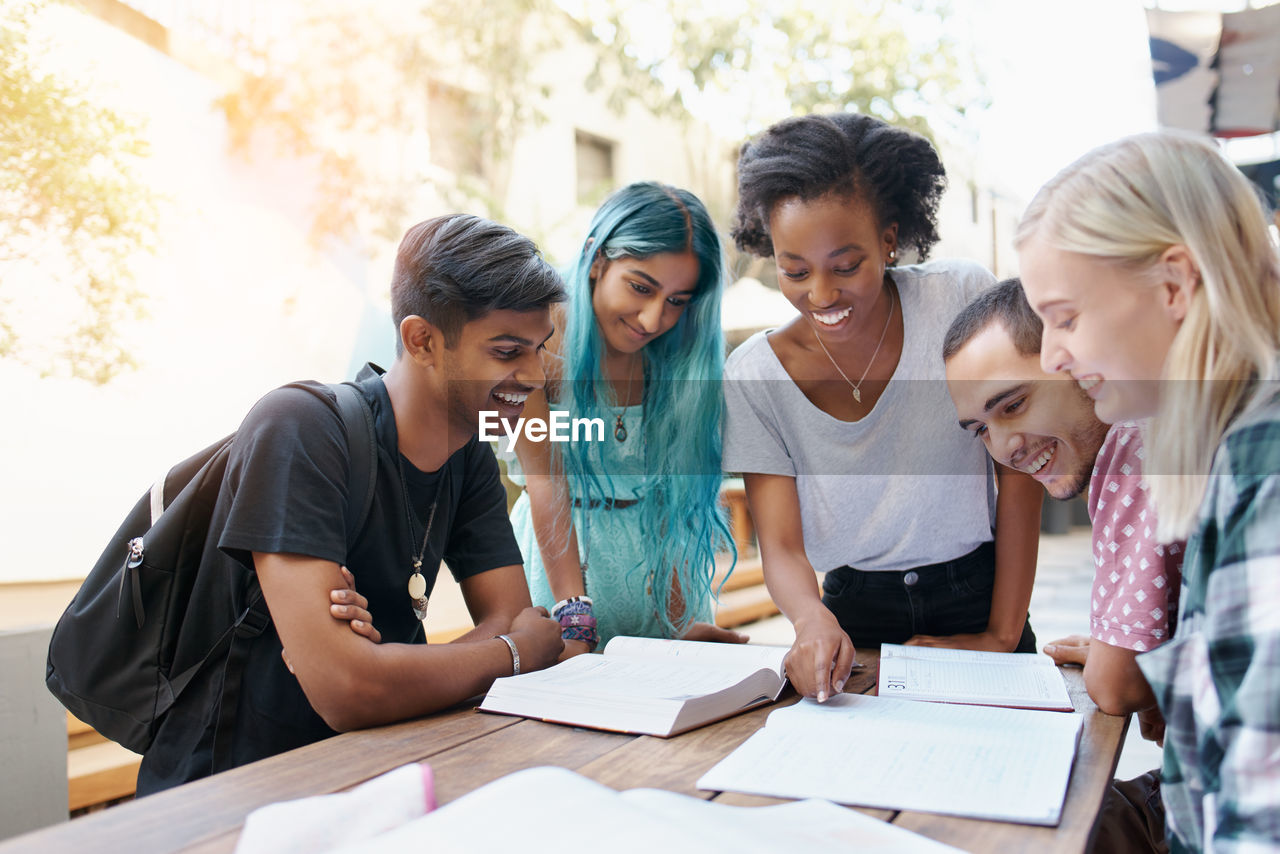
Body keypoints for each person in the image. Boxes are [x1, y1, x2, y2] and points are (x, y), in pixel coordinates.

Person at [135, 214, 566, 794]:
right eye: (508, 350)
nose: (536, 375)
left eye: (540, 349)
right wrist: (511, 654)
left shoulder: (468, 457)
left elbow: (505, 620)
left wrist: (386, 669)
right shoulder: (301, 428)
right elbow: (347, 691)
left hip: (378, 775)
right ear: (422, 341)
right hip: (235, 795)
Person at [1016, 131, 1280, 853]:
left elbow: (1259, 818)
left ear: (1174, 285)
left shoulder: (1263, 460)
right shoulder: (1227, 444)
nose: (1051, 356)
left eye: (1065, 317)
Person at [723, 112, 1044, 703]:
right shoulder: (754, 375)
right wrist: (810, 621)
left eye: (846, 266)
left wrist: (1000, 634)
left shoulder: (960, 300)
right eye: (795, 271)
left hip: (981, 596)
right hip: (852, 615)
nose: (820, 294)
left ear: (890, 238)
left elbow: (1019, 475)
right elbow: (784, 548)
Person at [943, 278, 1184, 854]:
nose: (1003, 447)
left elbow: (1115, 685)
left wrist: (1119, 661)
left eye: (1014, 404)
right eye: (981, 429)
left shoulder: (1133, 449)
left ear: (1075, 364)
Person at [505, 181, 743, 652]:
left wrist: (680, 619)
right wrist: (574, 617)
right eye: (641, 287)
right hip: (561, 574)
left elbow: (675, 496)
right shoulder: (537, 340)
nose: (653, 320)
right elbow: (546, 484)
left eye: (677, 301)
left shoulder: (678, 356)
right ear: (597, 260)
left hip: (660, 577)